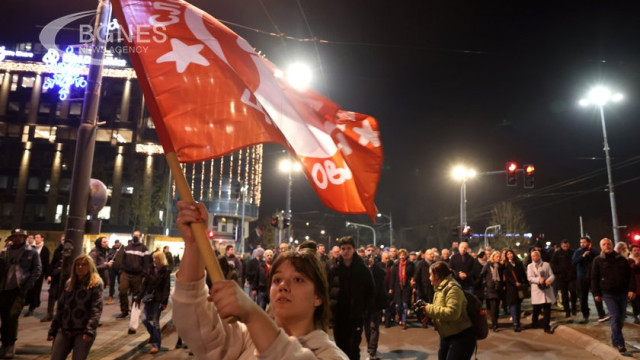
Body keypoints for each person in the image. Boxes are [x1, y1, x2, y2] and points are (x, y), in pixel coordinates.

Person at [171, 200, 348, 359]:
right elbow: (197, 326)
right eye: (277, 280)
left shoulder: (330, 355)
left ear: (318, 297)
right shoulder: (245, 339)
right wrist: (195, 245)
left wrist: (253, 314)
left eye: (298, 280)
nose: (283, 286)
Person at [47, 254, 103, 360]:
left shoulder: (95, 283)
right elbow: (61, 308)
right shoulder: (69, 283)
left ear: (90, 266)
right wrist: (53, 329)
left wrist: (89, 330)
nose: (80, 267)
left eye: (84, 265)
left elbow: (96, 308)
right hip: (65, 329)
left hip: (83, 330)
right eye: (78, 265)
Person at [328, 236, 375, 359]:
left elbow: (371, 290)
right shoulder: (333, 267)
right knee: (339, 347)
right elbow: (326, 288)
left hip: (355, 315)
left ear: (354, 249)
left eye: (349, 248)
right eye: (343, 248)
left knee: (353, 347)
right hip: (338, 315)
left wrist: (364, 309)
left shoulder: (362, 268)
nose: (346, 251)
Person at [0, 229, 42, 359]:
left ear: (24, 238)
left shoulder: (31, 252)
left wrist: (27, 285)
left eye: (20, 236)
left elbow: (37, 269)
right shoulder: (5, 251)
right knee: (4, 317)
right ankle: (4, 343)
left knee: (12, 316)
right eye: (15, 236)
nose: (18, 239)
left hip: (18, 289)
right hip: (3, 289)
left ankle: (11, 345)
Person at [422, 261, 475, 360]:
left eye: (430, 274)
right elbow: (440, 307)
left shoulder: (452, 289)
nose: (429, 278)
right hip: (448, 336)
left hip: (460, 337)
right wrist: (429, 314)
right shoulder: (440, 288)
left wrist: (428, 309)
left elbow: (453, 312)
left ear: (437, 275)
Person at [592, 238, 636, 354]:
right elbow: (594, 278)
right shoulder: (598, 261)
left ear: (612, 245)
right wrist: (596, 293)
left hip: (622, 293)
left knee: (620, 319)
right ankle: (620, 343)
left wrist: (632, 289)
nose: (607, 246)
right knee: (615, 316)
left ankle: (614, 338)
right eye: (604, 244)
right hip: (608, 294)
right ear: (601, 247)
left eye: (609, 244)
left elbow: (630, 276)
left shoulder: (621, 259)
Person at [141, 251, 171, 354]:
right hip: (149, 298)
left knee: (155, 321)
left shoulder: (165, 271)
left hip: (158, 299)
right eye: (154, 258)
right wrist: (140, 296)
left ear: (161, 259)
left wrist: (164, 301)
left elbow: (166, 288)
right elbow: (145, 284)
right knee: (144, 319)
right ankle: (154, 336)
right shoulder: (151, 269)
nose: (154, 260)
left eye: (156, 258)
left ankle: (156, 345)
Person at [572, 236, 607, 323]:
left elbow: (601, 260)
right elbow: (573, 262)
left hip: (593, 278)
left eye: (584, 242)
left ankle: (601, 314)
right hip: (582, 278)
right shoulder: (578, 252)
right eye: (581, 242)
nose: (582, 244)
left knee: (597, 296)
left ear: (588, 243)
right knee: (583, 297)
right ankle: (585, 316)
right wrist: (583, 256)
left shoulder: (594, 252)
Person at [117, 231, 150, 321]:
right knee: (122, 290)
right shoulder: (127, 248)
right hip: (126, 273)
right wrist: (121, 271)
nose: (135, 237)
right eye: (134, 235)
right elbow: (122, 260)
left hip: (137, 275)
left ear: (140, 237)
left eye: (137, 236)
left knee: (136, 294)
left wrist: (143, 273)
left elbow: (146, 263)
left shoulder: (143, 248)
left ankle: (134, 312)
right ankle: (124, 311)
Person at [364, 254, 387, 360]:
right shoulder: (362, 267)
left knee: (374, 327)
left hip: (376, 303)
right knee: (367, 327)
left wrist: (373, 266)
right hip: (365, 304)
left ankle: (372, 350)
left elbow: (383, 274)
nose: (370, 258)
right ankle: (370, 347)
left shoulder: (379, 268)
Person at [527, 250, 555, 333]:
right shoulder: (530, 266)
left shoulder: (546, 264)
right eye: (532, 256)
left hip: (546, 289)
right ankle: (534, 322)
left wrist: (549, 280)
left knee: (547, 309)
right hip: (537, 289)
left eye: (535, 256)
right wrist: (538, 280)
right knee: (536, 309)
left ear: (539, 256)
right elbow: (530, 277)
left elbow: (552, 275)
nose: (533, 257)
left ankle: (546, 326)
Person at [25, 233, 51, 317]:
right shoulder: (32, 248)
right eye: (35, 237)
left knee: (35, 290)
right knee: (29, 289)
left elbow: (46, 263)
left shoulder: (45, 249)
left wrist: (48, 275)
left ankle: (31, 308)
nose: (36, 239)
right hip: (30, 272)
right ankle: (33, 303)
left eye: (38, 237)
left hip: (39, 273)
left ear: (42, 239)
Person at [389, 248, 415, 330]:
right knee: (398, 306)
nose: (402, 256)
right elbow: (392, 277)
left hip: (406, 287)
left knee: (405, 305)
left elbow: (413, 275)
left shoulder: (410, 264)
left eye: (403, 255)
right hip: (397, 287)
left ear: (406, 255)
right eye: (400, 255)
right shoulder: (396, 265)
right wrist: (391, 288)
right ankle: (399, 317)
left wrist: (413, 285)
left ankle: (404, 321)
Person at [42, 235, 65, 322]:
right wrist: (49, 275)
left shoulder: (72, 251)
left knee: (62, 296)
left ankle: (60, 315)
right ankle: (49, 314)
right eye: (63, 239)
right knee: (52, 295)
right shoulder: (58, 250)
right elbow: (53, 263)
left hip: (65, 278)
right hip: (56, 277)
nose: (64, 241)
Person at [503, 249, 526, 332]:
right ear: (506, 256)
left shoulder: (519, 263)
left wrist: (523, 283)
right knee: (513, 305)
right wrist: (514, 283)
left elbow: (523, 274)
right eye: (508, 254)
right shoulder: (505, 264)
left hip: (519, 287)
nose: (510, 255)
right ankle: (515, 323)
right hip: (511, 288)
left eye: (511, 253)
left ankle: (518, 322)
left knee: (519, 305)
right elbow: (507, 276)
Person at [480, 251, 503, 332]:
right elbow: (482, 274)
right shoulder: (488, 265)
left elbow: (502, 276)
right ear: (493, 257)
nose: (498, 258)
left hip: (498, 288)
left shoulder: (500, 266)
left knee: (496, 307)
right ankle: (494, 324)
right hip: (490, 289)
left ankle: (494, 322)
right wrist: (486, 282)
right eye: (497, 256)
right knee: (493, 306)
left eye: (499, 256)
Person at [106, 240, 122, 305]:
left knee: (120, 282)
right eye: (116, 244)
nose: (117, 245)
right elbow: (109, 257)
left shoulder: (122, 250)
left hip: (120, 268)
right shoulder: (111, 250)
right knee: (112, 283)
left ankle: (121, 295)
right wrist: (113, 255)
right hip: (112, 268)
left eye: (118, 244)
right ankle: (111, 295)